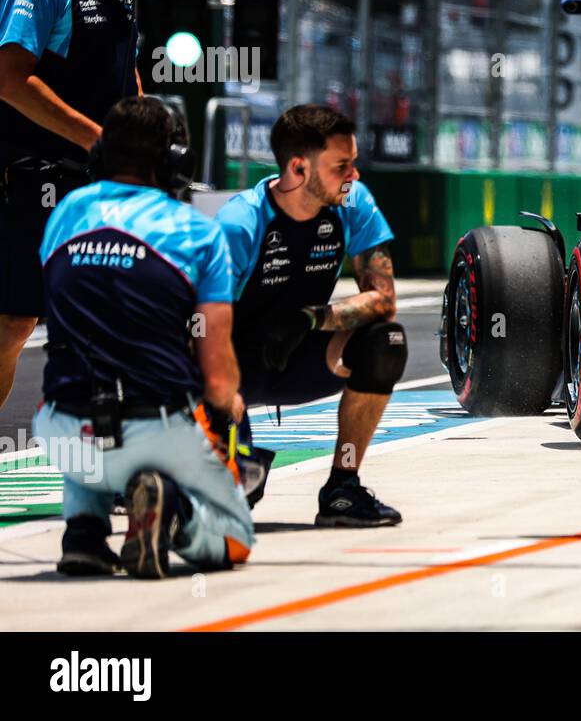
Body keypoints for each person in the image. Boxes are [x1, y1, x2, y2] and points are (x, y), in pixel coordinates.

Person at [31, 96, 254, 578]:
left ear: (100, 155)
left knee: (86, 396)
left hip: (62, 428)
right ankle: (170, 506)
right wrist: (229, 405)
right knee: (235, 540)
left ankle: (85, 534)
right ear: (175, 161)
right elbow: (217, 378)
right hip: (153, 428)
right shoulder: (196, 230)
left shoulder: (63, 215)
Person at [0, 0, 155, 410]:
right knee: (14, 323)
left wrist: (142, 136)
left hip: (101, 182)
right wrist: (97, 139)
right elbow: (10, 79)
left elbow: (123, 63)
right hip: (32, 178)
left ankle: (101, 462)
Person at [217, 105, 407, 527]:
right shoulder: (240, 222)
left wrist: (309, 318)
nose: (354, 176)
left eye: (354, 163)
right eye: (342, 166)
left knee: (385, 342)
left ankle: (343, 488)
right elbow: (200, 325)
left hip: (302, 354)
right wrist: (224, 394)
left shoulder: (353, 203)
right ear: (300, 167)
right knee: (234, 502)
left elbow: (383, 299)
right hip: (230, 365)